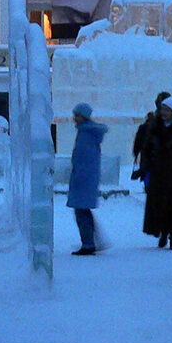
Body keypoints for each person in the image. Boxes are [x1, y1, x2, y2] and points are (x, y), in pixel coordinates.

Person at [143, 95, 172, 249]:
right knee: (159, 203)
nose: (164, 113)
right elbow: (147, 149)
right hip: (158, 172)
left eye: (167, 110)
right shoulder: (155, 128)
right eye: (163, 109)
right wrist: (145, 167)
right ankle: (162, 232)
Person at [67, 102, 108, 256]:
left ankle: (89, 243)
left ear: (83, 116)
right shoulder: (88, 132)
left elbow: (83, 158)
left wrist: (78, 176)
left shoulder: (86, 134)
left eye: (77, 115)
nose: (74, 118)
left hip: (83, 178)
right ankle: (92, 241)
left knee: (81, 212)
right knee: (84, 211)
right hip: (87, 177)